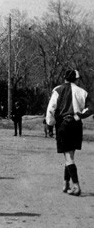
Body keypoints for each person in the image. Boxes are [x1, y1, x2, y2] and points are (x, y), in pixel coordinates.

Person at [46, 69, 91, 197]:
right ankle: (66, 183)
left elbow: (51, 108)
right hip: (76, 125)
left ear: (65, 78)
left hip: (63, 125)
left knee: (68, 157)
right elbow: (91, 108)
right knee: (70, 155)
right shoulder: (82, 92)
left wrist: (50, 123)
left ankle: (76, 186)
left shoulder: (58, 90)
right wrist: (79, 116)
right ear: (76, 79)